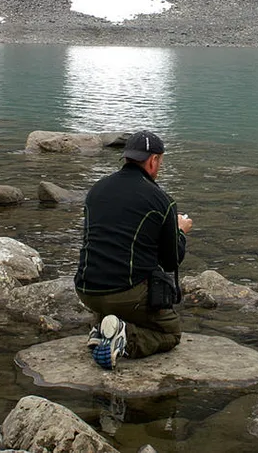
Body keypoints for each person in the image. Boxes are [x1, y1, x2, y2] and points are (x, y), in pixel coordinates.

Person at [74, 129, 193, 370]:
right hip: (125, 292)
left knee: (118, 301)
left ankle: (104, 328)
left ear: (127, 157)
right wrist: (179, 231)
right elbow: (171, 261)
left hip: (86, 289)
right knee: (171, 333)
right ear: (154, 160)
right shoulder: (161, 201)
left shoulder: (96, 190)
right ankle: (125, 338)